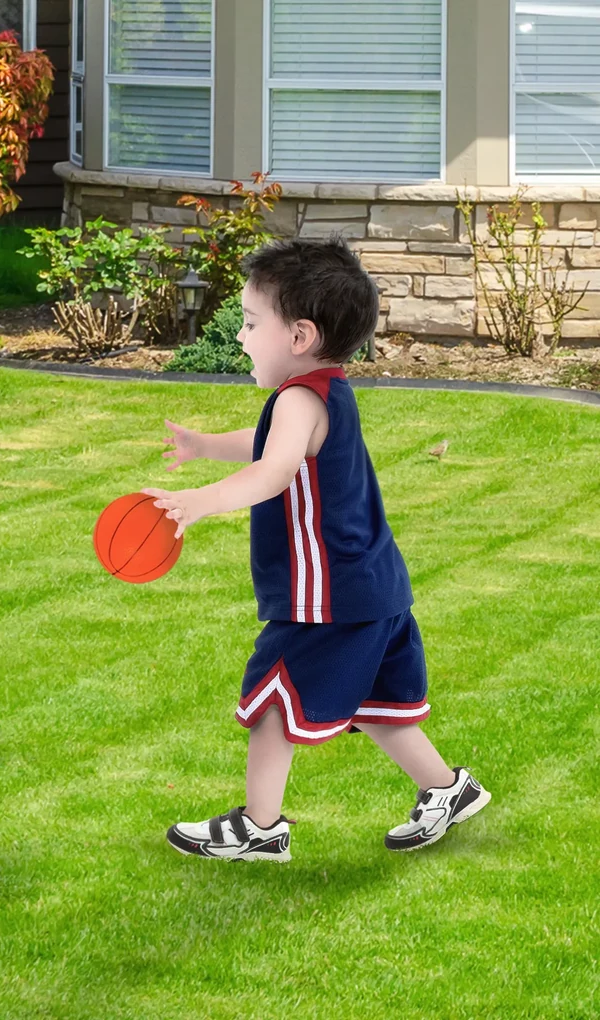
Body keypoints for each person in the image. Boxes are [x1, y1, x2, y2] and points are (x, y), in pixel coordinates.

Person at [141, 236, 490, 863]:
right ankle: (446, 789)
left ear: (299, 337)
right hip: (374, 589)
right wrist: (204, 443)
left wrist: (199, 499)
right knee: (377, 707)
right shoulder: (323, 392)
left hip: (324, 600)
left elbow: (274, 470)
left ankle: (259, 827)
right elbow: (268, 441)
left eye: (251, 323)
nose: (242, 336)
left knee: (273, 699)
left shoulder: (299, 399)